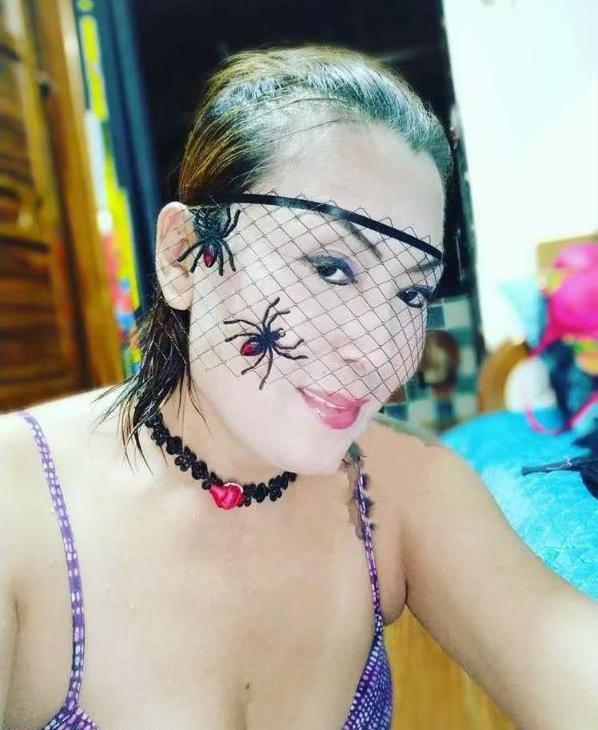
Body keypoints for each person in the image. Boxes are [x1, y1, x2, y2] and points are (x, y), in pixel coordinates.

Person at [1, 45, 596, 730]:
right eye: (330, 268)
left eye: (410, 293)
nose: (376, 351)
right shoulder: (18, 504)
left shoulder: (403, 486)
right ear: (184, 256)